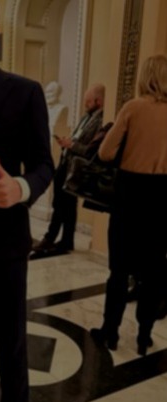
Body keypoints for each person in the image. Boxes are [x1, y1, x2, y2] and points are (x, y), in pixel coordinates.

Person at [0, 1, 55, 402]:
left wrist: (20, 188)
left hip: (4, 243)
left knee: (10, 344)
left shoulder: (25, 93)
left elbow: (44, 164)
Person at [91, 54, 167, 356]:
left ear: (145, 76)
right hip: (162, 197)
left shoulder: (134, 109)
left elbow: (107, 152)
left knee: (119, 270)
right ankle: (144, 336)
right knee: (153, 270)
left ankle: (110, 332)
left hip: (130, 196)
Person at [33, 84, 105, 255]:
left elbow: (92, 149)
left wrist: (71, 144)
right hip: (67, 163)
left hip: (77, 167)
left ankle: (52, 239)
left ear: (99, 101)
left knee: (64, 205)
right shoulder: (86, 117)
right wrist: (68, 142)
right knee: (62, 203)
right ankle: (65, 240)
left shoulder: (101, 121)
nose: (85, 104)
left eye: (88, 101)